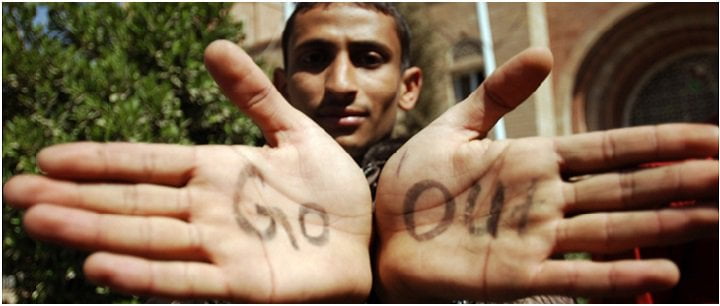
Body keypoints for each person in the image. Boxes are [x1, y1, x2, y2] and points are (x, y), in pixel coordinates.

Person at [3, 2, 717, 303]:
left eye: (367, 57)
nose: (341, 83)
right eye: (316, 58)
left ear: (410, 87)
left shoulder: (476, 225)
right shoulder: (219, 224)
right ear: (279, 84)